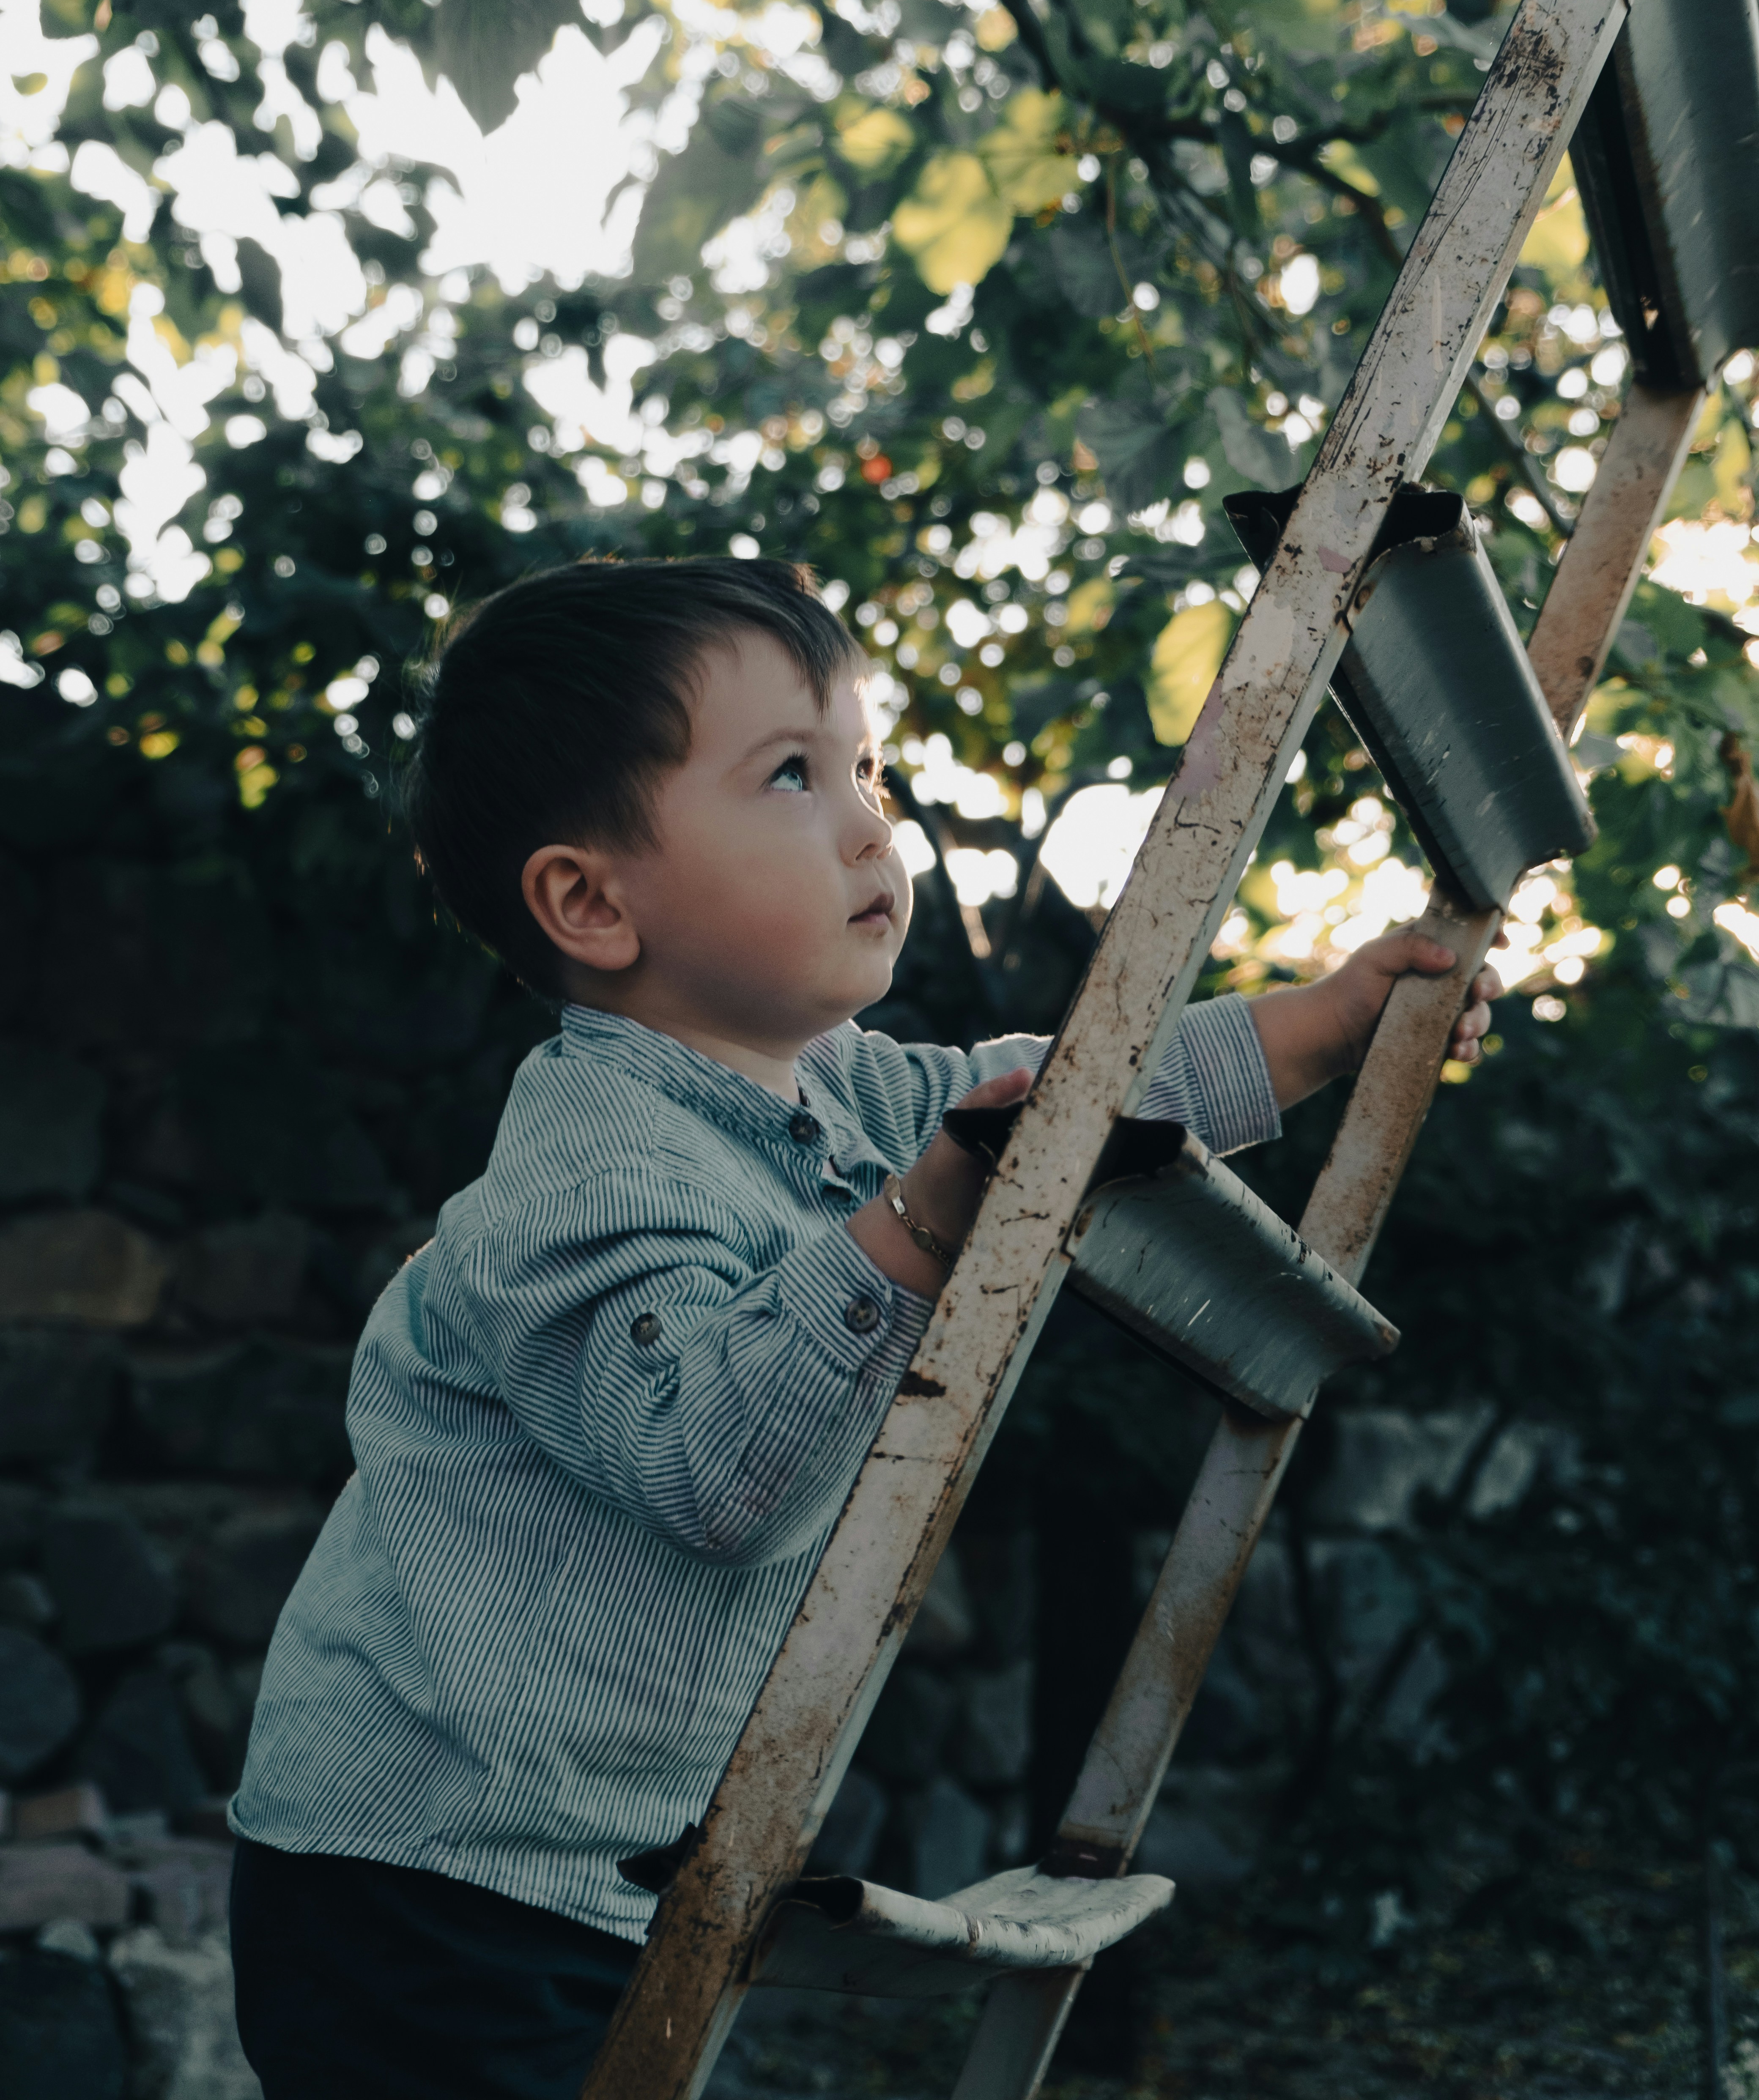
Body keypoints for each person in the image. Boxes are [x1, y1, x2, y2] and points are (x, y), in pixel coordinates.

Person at [227, 556, 1496, 2098]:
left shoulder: (855, 1093)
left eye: (866, 768)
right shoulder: (587, 1168)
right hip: (419, 1879)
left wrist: (1331, 1023)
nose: (868, 822)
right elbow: (715, 1472)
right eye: (788, 776)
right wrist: (921, 1224)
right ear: (589, 900)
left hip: (594, 1862)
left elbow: (1087, 1086)